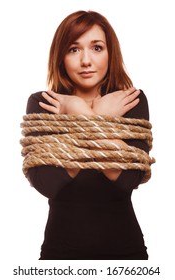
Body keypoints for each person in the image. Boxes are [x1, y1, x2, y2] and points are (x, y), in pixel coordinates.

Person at [25, 10, 150, 260]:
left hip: (126, 255)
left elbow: (127, 181)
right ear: (60, 56)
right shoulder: (43, 104)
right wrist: (86, 112)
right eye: (73, 49)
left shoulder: (130, 102)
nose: (85, 60)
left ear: (110, 53)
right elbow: (49, 185)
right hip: (60, 256)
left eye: (96, 48)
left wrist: (83, 116)